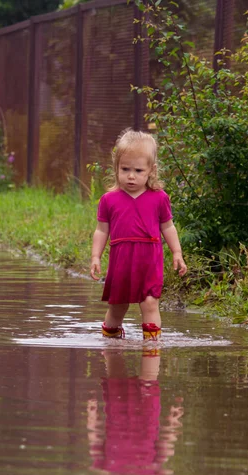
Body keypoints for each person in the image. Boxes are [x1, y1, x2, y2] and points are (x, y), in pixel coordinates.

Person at [90, 128, 187, 340]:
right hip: (121, 261)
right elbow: (101, 230)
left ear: (151, 170)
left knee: (150, 302)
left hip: (149, 260)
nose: (131, 176)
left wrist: (177, 252)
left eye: (138, 171)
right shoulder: (109, 199)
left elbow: (168, 227)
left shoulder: (159, 198)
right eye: (125, 169)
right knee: (118, 306)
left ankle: (151, 352)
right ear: (116, 168)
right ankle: (111, 346)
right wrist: (96, 256)